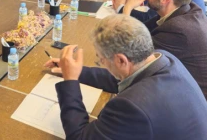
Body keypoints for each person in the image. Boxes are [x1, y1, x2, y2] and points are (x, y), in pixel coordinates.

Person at [44, 15, 207, 139]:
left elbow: (79, 137)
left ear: (121, 59)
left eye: (101, 59)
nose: (100, 62)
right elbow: (120, 78)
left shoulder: (131, 106)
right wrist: (77, 72)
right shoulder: (164, 59)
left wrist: (70, 82)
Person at [122, 0, 207, 98]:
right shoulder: (187, 8)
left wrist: (127, 10)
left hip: (189, 99)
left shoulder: (178, 30)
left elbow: (132, 54)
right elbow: (143, 30)